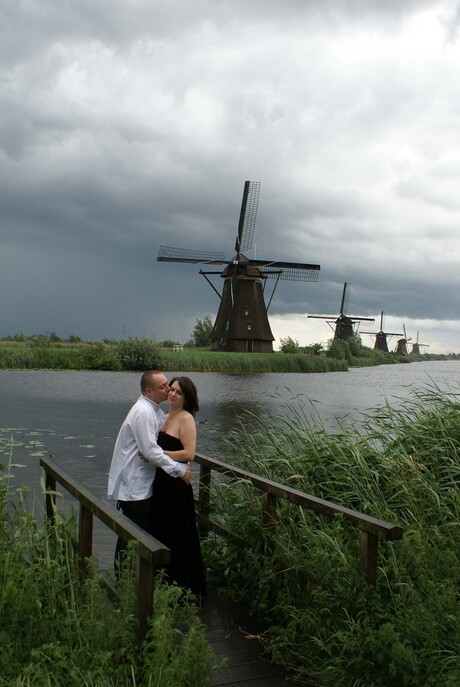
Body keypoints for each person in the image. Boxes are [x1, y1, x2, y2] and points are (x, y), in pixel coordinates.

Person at [107, 370, 191, 571]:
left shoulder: (153, 410)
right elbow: (151, 452)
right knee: (132, 536)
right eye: (163, 386)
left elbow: (166, 427)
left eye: (167, 384)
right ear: (148, 390)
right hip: (134, 486)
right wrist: (179, 469)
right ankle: (123, 579)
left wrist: (184, 418)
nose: (168, 389)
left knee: (136, 534)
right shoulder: (143, 412)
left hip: (142, 484)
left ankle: (128, 576)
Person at [149, 376, 207, 597]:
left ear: (187, 397)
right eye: (171, 389)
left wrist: (158, 454)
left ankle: (185, 588)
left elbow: (189, 453)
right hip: (161, 484)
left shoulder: (186, 419)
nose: (172, 394)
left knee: (180, 534)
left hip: (176, 487)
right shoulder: (165, 417)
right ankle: (162, 584)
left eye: (179, 392)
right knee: (162, 532)